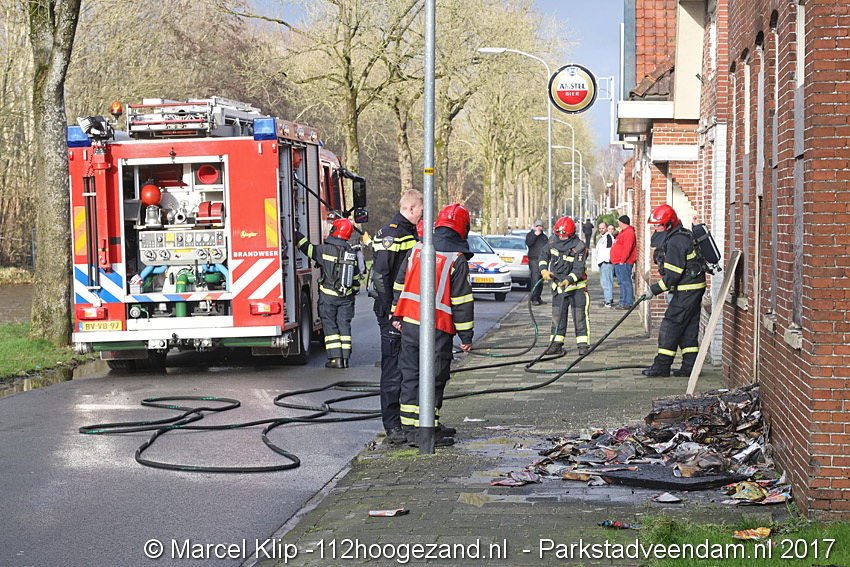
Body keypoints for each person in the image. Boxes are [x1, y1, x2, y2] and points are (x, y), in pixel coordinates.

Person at [392, 203, 474, 447]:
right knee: (435, 377)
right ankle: (426, 431)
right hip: (437, 328)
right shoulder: (456, 258)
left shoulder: (418, 248)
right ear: (463, 228)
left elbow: (400, 283)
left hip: (410, 324)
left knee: (411, 375)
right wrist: (466, 336)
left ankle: (411, 429)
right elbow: (462, 302)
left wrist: (396, 314)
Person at [370, 189, 423, 444]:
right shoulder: (392, 234)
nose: (423, 214)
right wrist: (393, 311)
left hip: (405, 311)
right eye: (421, 210)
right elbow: (381, 276)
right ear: (411, 208)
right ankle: (392, 426)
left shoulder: (408, 232)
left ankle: (409, 421)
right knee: (393, 370)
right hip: (393, 313)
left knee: (409, 367)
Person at [642, 204, 707, 377]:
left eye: (658, 226)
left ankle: (662, 366)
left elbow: (672, 276)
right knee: (688, 328)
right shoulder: (681, 235)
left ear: (668, 225)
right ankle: (690, 367)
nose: (655, 229)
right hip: (693, 289)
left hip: (686, 291)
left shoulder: (676, 242)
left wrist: (653, 290)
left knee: (670, 326)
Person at [296, 218, 362, 369]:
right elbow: (356, 279)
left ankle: (335, 359)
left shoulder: (324, 250)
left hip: (328, 297)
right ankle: (345, 360)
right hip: (346, 298)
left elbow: (307, 248)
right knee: (344, 326)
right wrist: (351, 294)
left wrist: (296, 234)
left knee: (330, 326)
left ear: (334, 230)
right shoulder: (351, 253)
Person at [538, 216, 590, 356]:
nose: (561, 238)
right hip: (558, 288)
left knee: (579, 317)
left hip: (577, 289)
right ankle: (556, 344)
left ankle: (583, 346)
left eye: (564, 236)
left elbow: (578, 269)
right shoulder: (552, 241)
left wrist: (568, 280)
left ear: (572, 234)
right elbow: (543, 256)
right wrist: (543, 270)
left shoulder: (579, 246)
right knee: (557, 317)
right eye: (559, 235)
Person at [610, 215, 636, 309]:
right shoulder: (623, 232)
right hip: (618, 262)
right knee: (621, 283)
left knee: (625, 282)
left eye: (619, 222)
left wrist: (622, 260)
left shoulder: (629, 232)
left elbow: (627, 248)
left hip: (624, 262)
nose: (618, 224)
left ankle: (627, 302)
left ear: (622, 222)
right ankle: (622, 301)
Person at [525, 219, 549, 305]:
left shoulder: (544, 237)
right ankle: (533, 298)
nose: (539, 228)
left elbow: (547, 247)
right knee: (535, 279)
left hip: (543, 260)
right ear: (534, 227)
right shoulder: (530, 235)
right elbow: (529, 243)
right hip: (534, 259)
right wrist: (535, 235)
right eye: (537, 226)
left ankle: (538, 297)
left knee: (540, 279)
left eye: (540, 226)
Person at [595, 221, 615, 307]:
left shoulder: (608, 237)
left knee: (607, 282)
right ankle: (607, 298)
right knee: (604, 282)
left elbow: (609, 249)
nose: (601, 230)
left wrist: (607, 260)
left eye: (603, 228)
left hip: (606, 262)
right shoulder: (603, 237)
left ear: (606, 228)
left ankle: (608, 300)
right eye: (600, 228)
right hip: (602, 262)